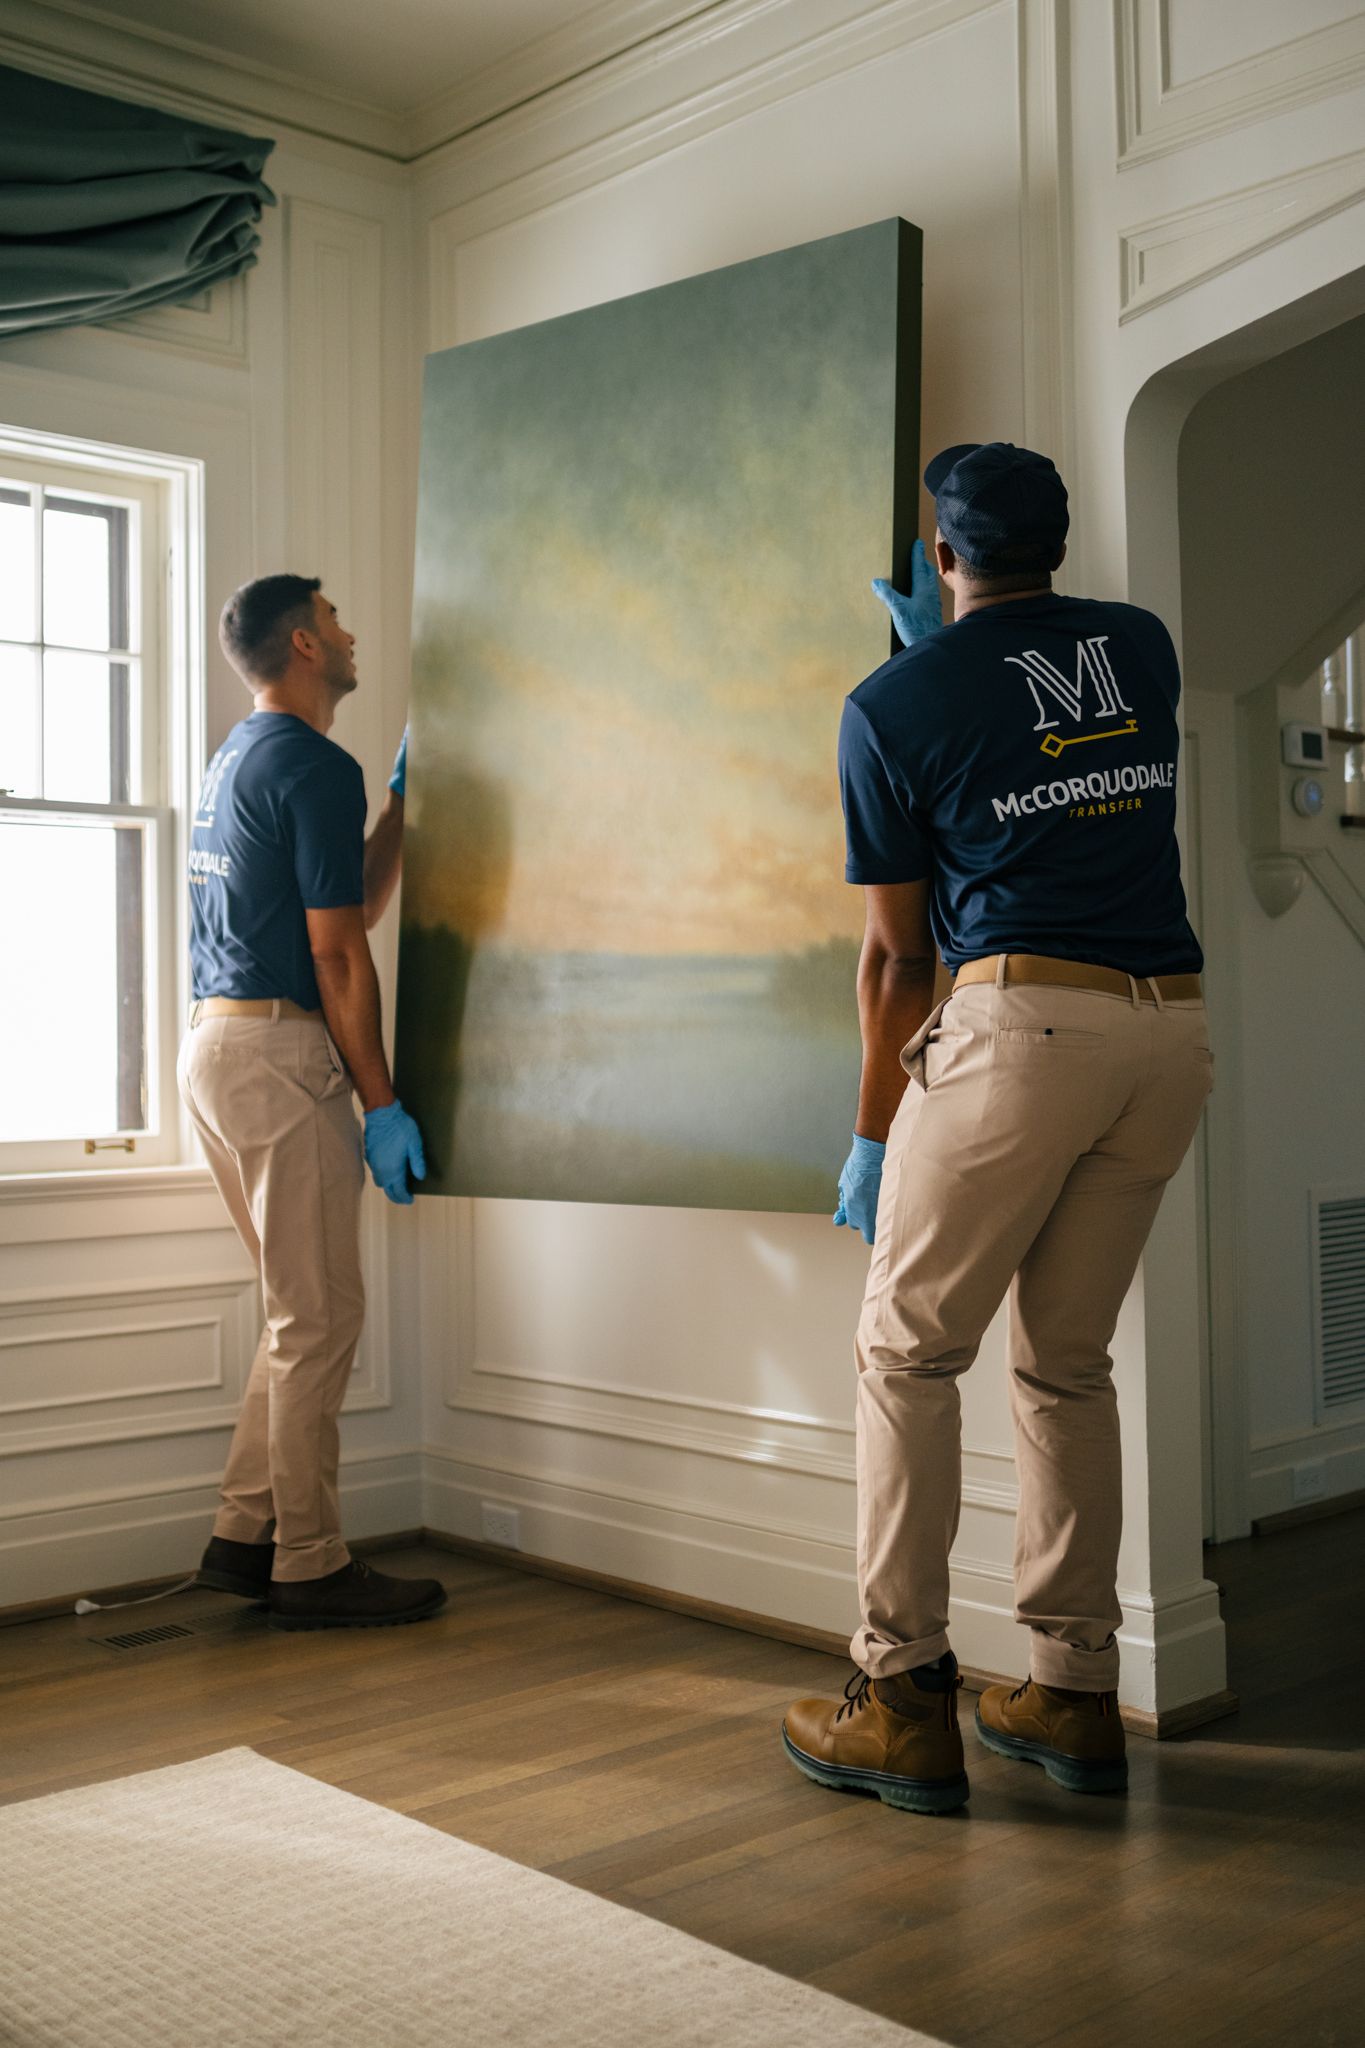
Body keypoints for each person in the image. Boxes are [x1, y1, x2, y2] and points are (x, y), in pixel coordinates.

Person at [783, 444, 1212, 1812]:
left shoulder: (890, 704)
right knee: (1065, 1364)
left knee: (907, 1352)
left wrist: (869, 1127)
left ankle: (902, 1697)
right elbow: (1049, 716)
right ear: (1058, 541)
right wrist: (958, 652)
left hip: (1018, 1031)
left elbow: (894, 961)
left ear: (938, 550)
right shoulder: (1139, 649)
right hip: (1168, 1036)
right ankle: (1074, 1691)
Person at [182, 573, 443, 1630]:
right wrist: (380, 1099)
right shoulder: (308, 762)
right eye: (334, 618)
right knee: (321, 1312)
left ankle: (243, 1536)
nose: (348, 633)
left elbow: (354, 900)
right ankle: (313, 1564)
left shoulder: (239, 758)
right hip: (277, 1054)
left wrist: (398, 811)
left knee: (299, 1308)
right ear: (302, 641)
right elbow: (341, 954)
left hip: (218, 1046)